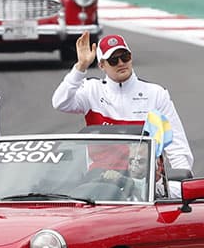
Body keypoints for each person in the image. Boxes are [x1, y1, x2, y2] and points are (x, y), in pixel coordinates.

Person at [51, 32, 194, 172]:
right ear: (102, 65)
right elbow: (60, 102)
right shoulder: (91, 89)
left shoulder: (156, 94)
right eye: (113, 60)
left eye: (125, 57)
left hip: (145, 181)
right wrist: (80, 67)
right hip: (100, 179)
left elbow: (177, 147)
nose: (121, 63)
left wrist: (182, 181)